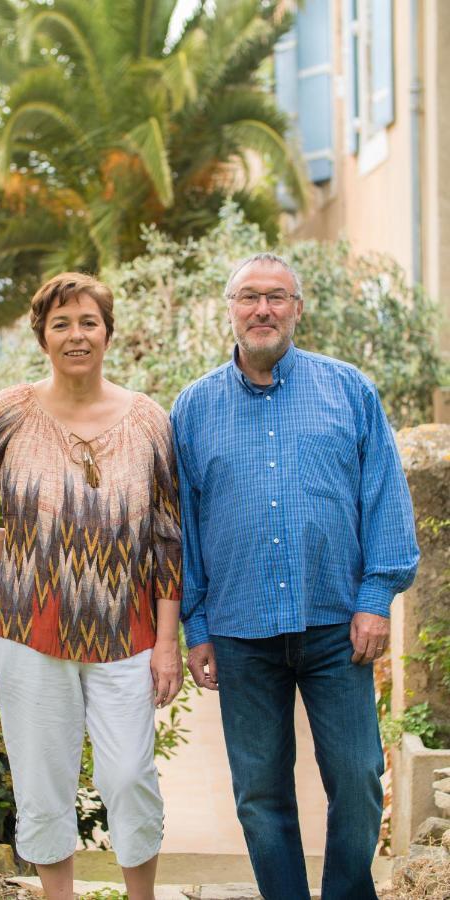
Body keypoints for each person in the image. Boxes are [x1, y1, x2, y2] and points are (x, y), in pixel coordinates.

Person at [0, 272, 183, 900]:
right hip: (27, 627)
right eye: (61, 324)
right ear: (42, 337)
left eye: (88, 322)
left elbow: (168, 538)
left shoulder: (150, 420)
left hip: (125, 631)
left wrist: (166, 642)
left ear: (107, 333)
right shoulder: (13, 412)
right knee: (41, 779)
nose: (76, 335)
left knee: (130, 774)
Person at [170, 252, 419, 900]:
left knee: (359, 777)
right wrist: (196, 627)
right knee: (259, 793)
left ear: (298, 309)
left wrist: (375, 598)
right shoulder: (192, 408)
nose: (263, 309)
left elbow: (384, 496)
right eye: (249, 296)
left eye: (277, 297)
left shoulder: (349, 391)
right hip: (240, 631)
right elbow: (183, 528)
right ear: (230, 309)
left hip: (338, 622)